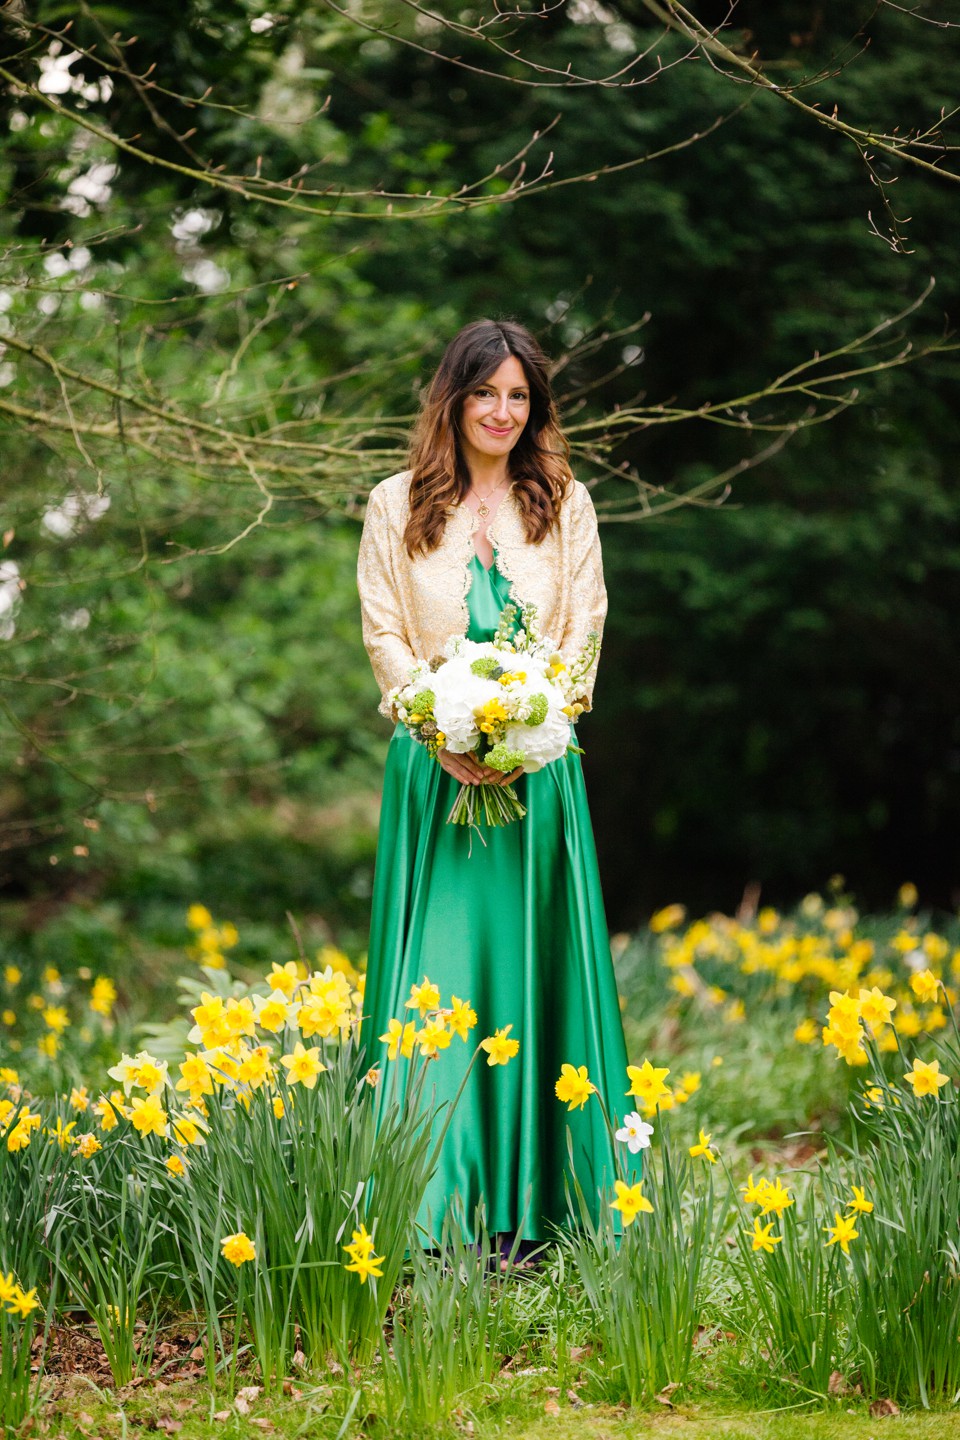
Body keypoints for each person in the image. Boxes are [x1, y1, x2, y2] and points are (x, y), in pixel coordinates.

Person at [356, 318, 637, 1262]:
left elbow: (584, 630)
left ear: (536, 406)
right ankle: (429, 1215)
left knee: (530, 977)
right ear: (453, 399)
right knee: (439, 982)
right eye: (486, 394)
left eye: (519, 396)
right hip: (436, 784)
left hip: (538, 781)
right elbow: (387, 636)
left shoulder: (567, 503)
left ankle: (535, 1219)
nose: (502, 413)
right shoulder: (395, 505)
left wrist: (532, 723)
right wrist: (435, 730)